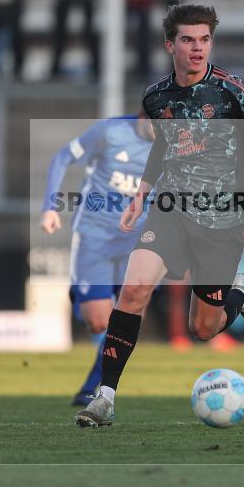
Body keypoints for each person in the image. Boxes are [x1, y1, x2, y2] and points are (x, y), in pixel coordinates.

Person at [75, 4, 244, 427]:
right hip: (171, 209)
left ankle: (237, 296)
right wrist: (143, 192)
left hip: (225, 220)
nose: (197, 48)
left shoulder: (232, 92)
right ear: (170, 44)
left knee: (203, 329)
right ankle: (105, 397)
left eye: (204, 40)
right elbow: (163, 147)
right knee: (133, 289)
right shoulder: (156, 97)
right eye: (188, 40)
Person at [40, 114, 154, 405]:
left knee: (129, 318)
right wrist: (50, 207)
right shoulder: (110, 132)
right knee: (98, 321)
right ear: (145, 115)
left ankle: (94, 389)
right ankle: (80, 295)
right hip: (96, 236)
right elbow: (62, 156)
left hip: (139, 241)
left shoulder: (177, 145)